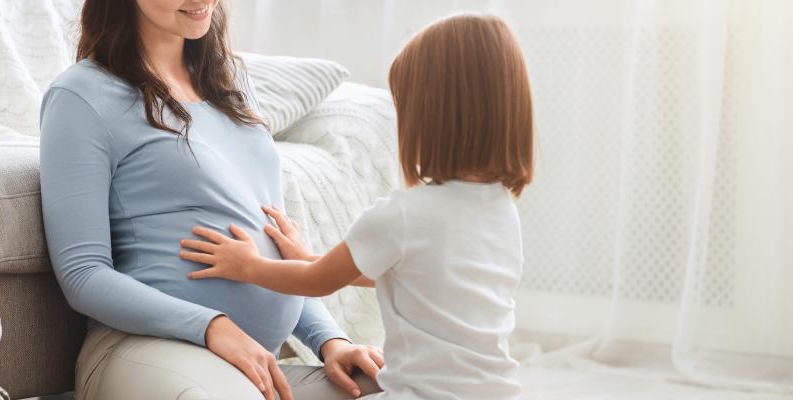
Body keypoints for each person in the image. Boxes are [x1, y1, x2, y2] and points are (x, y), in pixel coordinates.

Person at [39, 0, 384, 399]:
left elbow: (275, 252)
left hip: (256, 366)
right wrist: (211, 325)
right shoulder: (81, 96)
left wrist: (331, 341)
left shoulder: (231, 79)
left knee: (406, 387)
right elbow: (83, 274)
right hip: (146, 349)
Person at [180, 14, 535, 400]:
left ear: (430, 121)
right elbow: (422, 274)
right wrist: (309, 255)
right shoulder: (502, 209)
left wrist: (248, 265)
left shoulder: (404, 214)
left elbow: (316, 281)